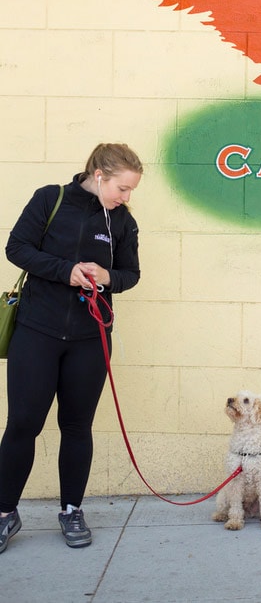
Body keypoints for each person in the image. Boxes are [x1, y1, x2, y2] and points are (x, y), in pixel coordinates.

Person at [0, 143, 143, 553]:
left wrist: (107, 277)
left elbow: (131, 274)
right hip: (37, 331)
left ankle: (71, 509)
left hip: (90, 339)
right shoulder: (50, 198)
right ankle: (5, 513)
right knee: (23, 423)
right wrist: (67, 272)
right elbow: (17, 249)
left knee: (77, 426)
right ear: (99, 174)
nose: (125, 197)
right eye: (122, 188)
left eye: (131, 190)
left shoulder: (122, 222)